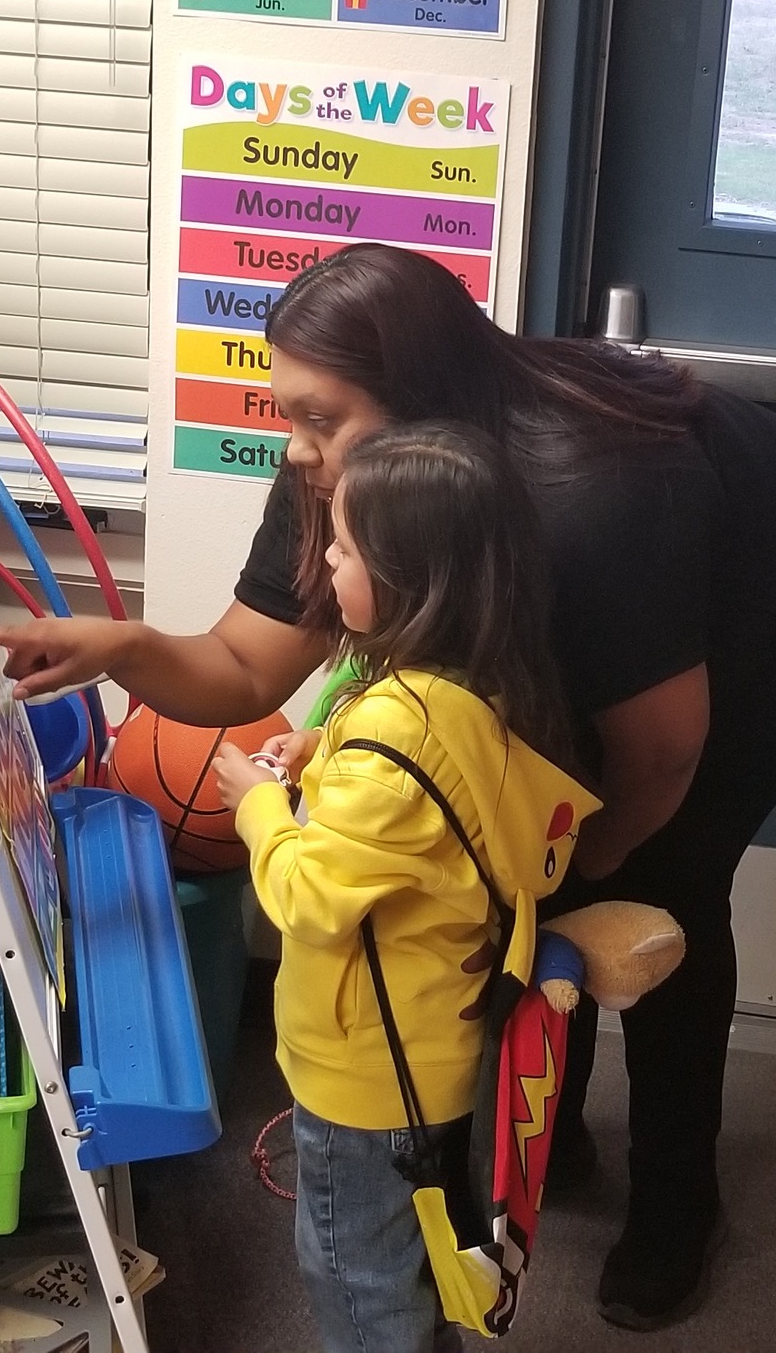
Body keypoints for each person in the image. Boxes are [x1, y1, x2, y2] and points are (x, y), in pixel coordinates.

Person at [0, 243, 776, 1330]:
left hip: (769, 565)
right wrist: (123, 644)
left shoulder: (595, 496)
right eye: (285, 413)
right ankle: (551, 1130)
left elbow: (661, 755)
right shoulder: (345, 469)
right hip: (552, 568)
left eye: (318, 418)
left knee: (664, 881)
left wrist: (561, 873)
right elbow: (247, 666)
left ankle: (676, 1206)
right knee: (511, 859)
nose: (295, 451)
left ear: (416, 400)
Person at [206, 424, 601, 1353]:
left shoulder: (392, 734)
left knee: (356, 1274)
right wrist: (321, 751)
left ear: (406, 575)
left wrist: (259, 805)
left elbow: (306, 894)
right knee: (419, 1250)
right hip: (434, 1042)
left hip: (365, 1075)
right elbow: (421, 806)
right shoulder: (468, 690)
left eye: (342, 547)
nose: (327, 561)